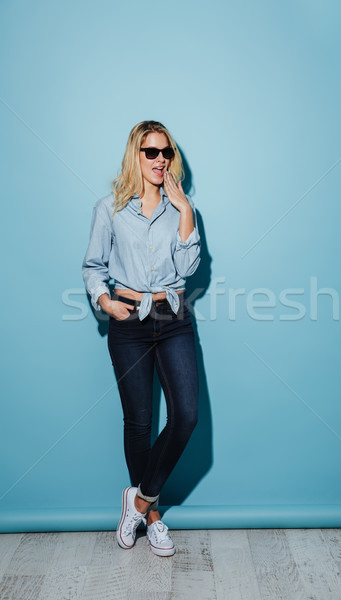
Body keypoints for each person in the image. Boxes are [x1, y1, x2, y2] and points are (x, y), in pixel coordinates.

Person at [82, 120, 201, 557]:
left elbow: (188, 271)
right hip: (129, 320)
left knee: (185, 415)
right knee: (139, 421)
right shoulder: (109, 208)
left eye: (166, 152)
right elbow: (93, 266)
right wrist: (104, 301)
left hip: (174, 317)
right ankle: (152, 518)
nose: (159, 160)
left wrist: (184, 209)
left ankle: (137, 501)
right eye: (150, 152)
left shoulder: (181, 209)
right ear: (136, 155)